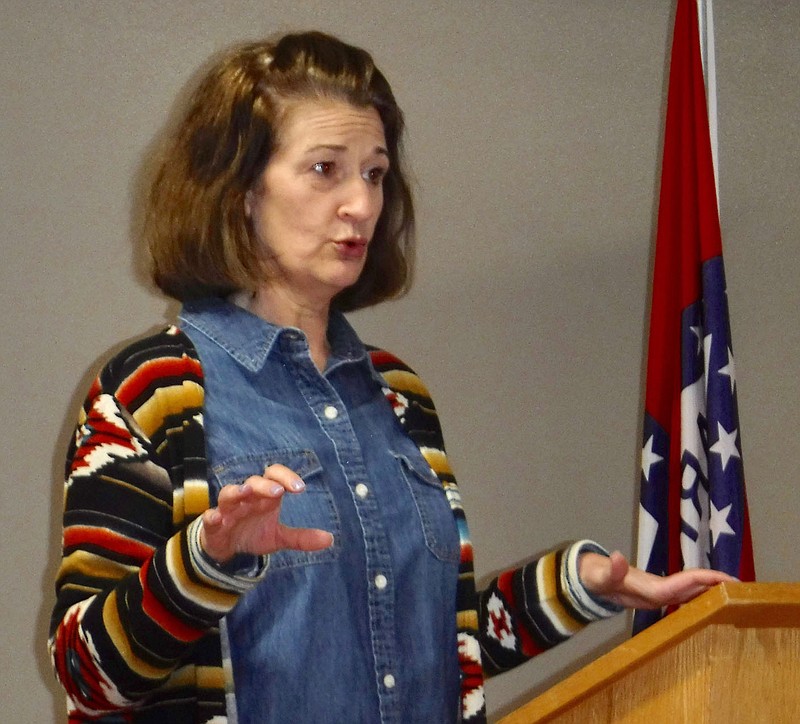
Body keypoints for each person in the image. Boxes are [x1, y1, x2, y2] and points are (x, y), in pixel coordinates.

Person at [48, 31, 732, 724]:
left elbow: (433, 648)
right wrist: (208, 560)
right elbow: (85, 674)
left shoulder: (398, 395)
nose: (362, 205)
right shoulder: (151, 388)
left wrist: (578, 585)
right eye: (325, 169)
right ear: (241, 191)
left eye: (374, 173)